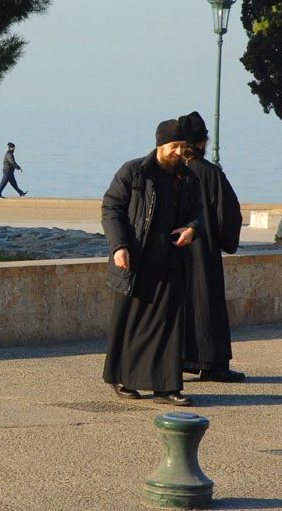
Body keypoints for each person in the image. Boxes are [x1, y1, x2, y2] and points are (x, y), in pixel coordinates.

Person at [101, 119, 205, 406]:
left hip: (172, 261)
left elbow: (198, 211)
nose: (178, 152)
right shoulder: (134, 171)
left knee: (169, 327)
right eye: (173, 147)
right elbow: (111, 208)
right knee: (130, 324)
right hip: (135, 262)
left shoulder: (187, 176)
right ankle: (121, 379)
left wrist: (192, 229)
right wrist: (118, 247)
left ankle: (167, 387)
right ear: (160, 145)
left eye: (182, 147)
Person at [176, 111, 245, 383]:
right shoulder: (211, 174)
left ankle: (176, 361)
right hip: (203, 252)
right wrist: (226, 240)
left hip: (173, 251)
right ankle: (212, 365)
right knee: (207, 305)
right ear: (203, 143)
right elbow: (228, 215)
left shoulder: (170, 173)